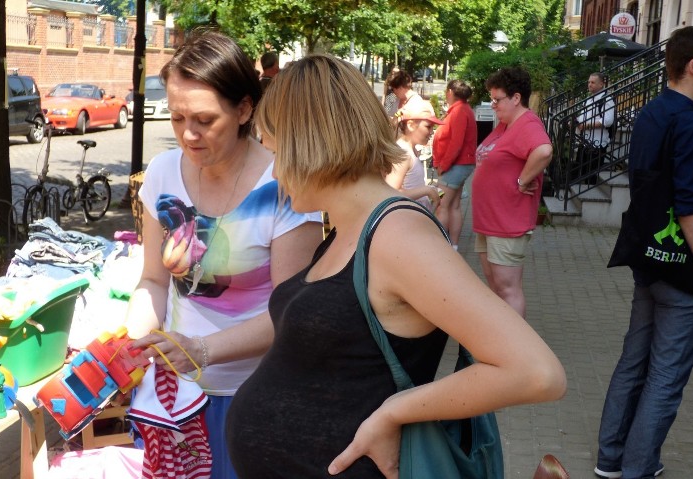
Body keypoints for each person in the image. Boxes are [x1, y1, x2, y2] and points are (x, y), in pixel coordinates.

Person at [225, 54, 566, 478]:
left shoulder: (398, 236)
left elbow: (536, 371)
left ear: (308, 142)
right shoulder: (349, 227)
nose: (275, 172)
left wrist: (394, 413)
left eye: (277, 153)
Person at [124, 30, 324, 479]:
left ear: (244, 109)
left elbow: (291, 312)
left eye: (204, 120)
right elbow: (154, 280)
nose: (188, 135)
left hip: (255, 398)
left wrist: (201, 349)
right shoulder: (161, 173)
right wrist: (130, 341)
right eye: (176, 119)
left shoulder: (285, 184)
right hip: (176, 398)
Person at [594, 26, 693, 479]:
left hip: (648, 260)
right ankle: (638, 469)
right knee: (665, 378)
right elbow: (690, 208)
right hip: (685, 272)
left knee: (634, 361)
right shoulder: (691, 124)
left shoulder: (648, 115)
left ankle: (611, 460)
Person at [472, 67, 552, 318]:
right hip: (490, 221)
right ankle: (502, 342)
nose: (493, 105)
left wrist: (522, 180)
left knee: (508, 290)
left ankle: (516, 351)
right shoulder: (507, 125)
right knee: (497, 288)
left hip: (507, 221)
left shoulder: (526, 124)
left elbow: (544, 151)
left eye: (497, 100)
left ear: (516, 98)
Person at [432, 79, 478, 249]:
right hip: (461, 164)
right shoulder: (463, 109)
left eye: (446, 91)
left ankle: (441, 247)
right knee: (454, 205)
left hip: (455, 166)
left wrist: (443, 164)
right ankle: (453, 246)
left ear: (450, 92)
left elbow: (456, 143)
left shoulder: (459, 111)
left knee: (441, 204)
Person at [386, 101, 443, 212]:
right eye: (428, 127)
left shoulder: (412, 151)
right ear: (411, 125)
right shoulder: (403, 153)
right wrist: (427, 191)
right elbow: (391, 193)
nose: (432, 132)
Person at [574, 72, 615, 184]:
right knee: (581, 171)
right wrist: (576, 122)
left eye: (593, 82)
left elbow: (608, 121)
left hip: (597, 143)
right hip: (585, 141)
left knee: (591, 176)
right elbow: (584, 116)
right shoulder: (590, 99)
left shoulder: (607, 99)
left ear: (601, 84)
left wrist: (587, 125)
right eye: (588, 82)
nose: (589, 85)